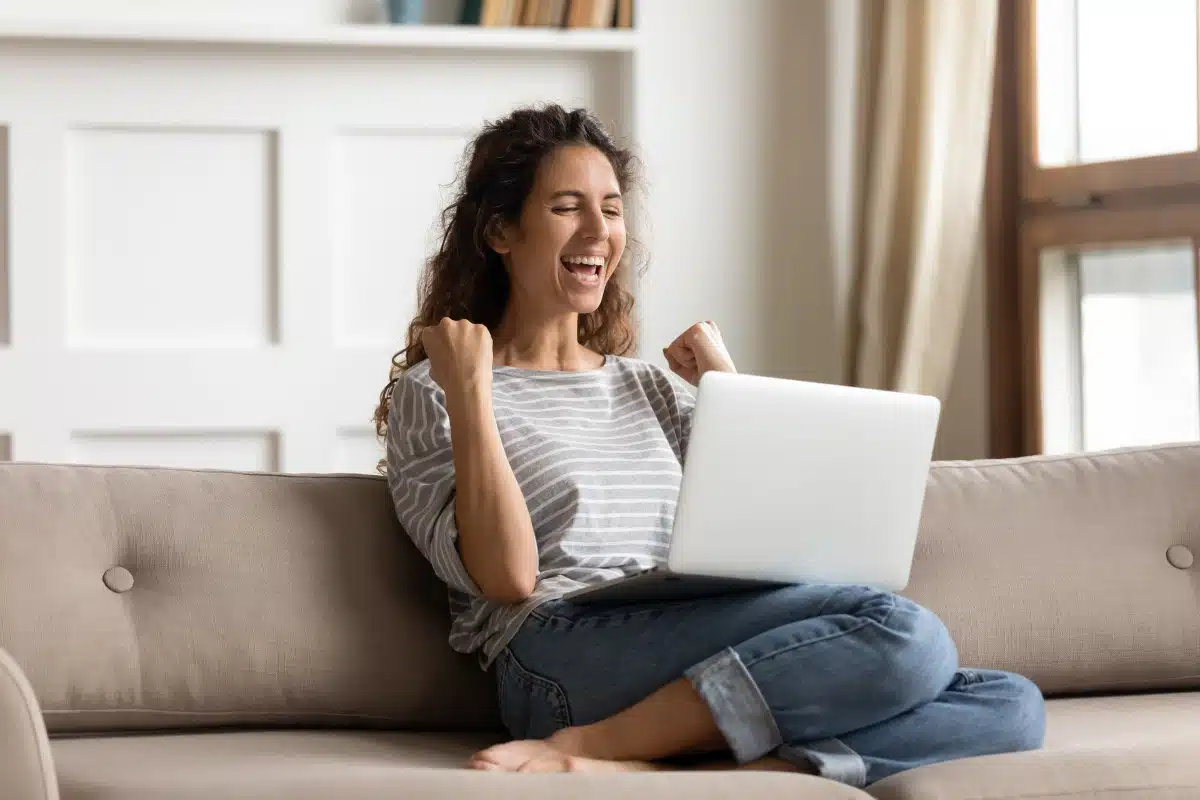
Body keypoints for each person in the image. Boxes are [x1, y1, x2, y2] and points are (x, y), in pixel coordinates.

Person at [373, 104, 1045, 787]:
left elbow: (785, 537)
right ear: (500, 230)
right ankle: (595, 742)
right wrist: (472, 393)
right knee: (908, 637)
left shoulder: (650, 389)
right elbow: (509, 578)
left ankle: (699, 757)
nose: (598, 232)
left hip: (689, 625)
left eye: (610, 209)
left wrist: (727, 387)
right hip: (557, 654)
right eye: (567, 207)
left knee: (1010, 704)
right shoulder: (439, 393)